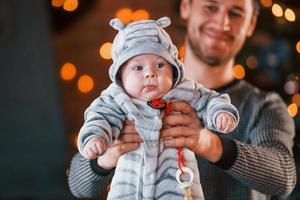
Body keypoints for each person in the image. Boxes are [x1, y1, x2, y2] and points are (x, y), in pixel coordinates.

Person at [68, 0, 297, 199]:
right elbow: (78, 186)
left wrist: (209, 143)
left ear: (251, 25)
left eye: (236, 13)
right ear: (186, 7)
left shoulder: (265, 105)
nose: (222, 23)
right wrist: (108, 152)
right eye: (210, 7)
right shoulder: (127, 95)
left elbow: (284, 179)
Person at [76, 16, 239, 200]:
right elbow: (99, 116)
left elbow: (209, 100)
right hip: (130, 189)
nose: (150, 74)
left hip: (177, 189)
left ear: (174, 68)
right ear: (120, 75)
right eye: (137, 68)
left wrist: (220, 113)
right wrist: (96, 138)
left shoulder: (184, 90)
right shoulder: (116, 97)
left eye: (160, 65)